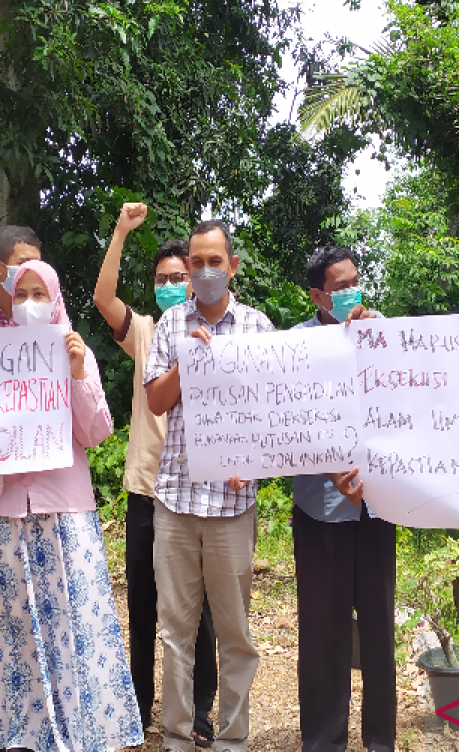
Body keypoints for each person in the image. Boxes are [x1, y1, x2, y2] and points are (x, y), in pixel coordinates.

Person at [0, 260, 143, 751]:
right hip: (7, 512)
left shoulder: (73, 348)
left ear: (56, 297)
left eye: (38, 293)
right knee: (16, 623)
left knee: (73, 620)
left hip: (65, 510)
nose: (28, 303)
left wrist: (78, 373)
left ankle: (85, 726)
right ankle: (20, 730)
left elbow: (97, 431)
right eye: (20, 292)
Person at [144, 219, 275, 752]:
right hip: (175, 498)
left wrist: (255, 460)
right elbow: (155, 401)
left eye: (213, 262)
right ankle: (176, 734)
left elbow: (274, 412)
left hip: (233, 502)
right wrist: (187, 363)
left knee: (234, 631)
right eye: (195, 262)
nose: (203, 272)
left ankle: (233, 737)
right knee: (175, 628)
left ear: (232, 266)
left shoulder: (259, 328)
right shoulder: (170, 324)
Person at [92, 202, 219, 746]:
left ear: (194, 281)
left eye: (179, 278)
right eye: (162, 279)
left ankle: (200, 713)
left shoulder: (214, 331)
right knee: (144, 608)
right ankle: (138, 710)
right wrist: (121, 230)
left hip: (202, 491)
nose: (171, 285)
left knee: (203, 614)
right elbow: (102, 299)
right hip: (147, 491)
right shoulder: (144, 331)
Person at [291, 246, 396, 752]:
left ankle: (380, 740)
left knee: (378, 630)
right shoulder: (293, 345)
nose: (352, 292)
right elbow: (285, 422)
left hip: (378, 509)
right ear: (317, 295)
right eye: (340, 286)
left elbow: (410, 401)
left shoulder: (383, 333)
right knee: (321, 633)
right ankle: (323, 741)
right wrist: (328, 465)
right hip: (318, 512)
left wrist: (379, 341)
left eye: (356, 281)